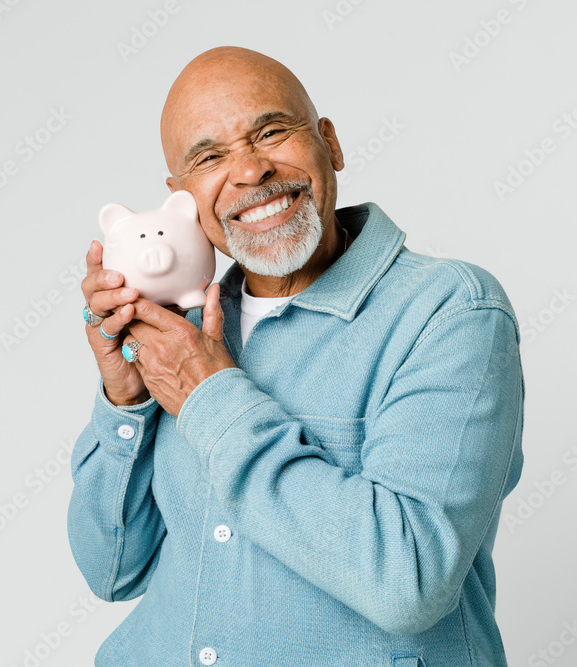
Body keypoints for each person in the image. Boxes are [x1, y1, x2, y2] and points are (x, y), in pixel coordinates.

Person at [68, 46, 525, 667]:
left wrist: (211, 398)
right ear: (182, 199)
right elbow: (113, 569)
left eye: (272, 132)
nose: (250, 171)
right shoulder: (185, 335)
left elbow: (408, 581)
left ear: (329, 144)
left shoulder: (451, 311)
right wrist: (128, 400)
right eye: (209, 157)